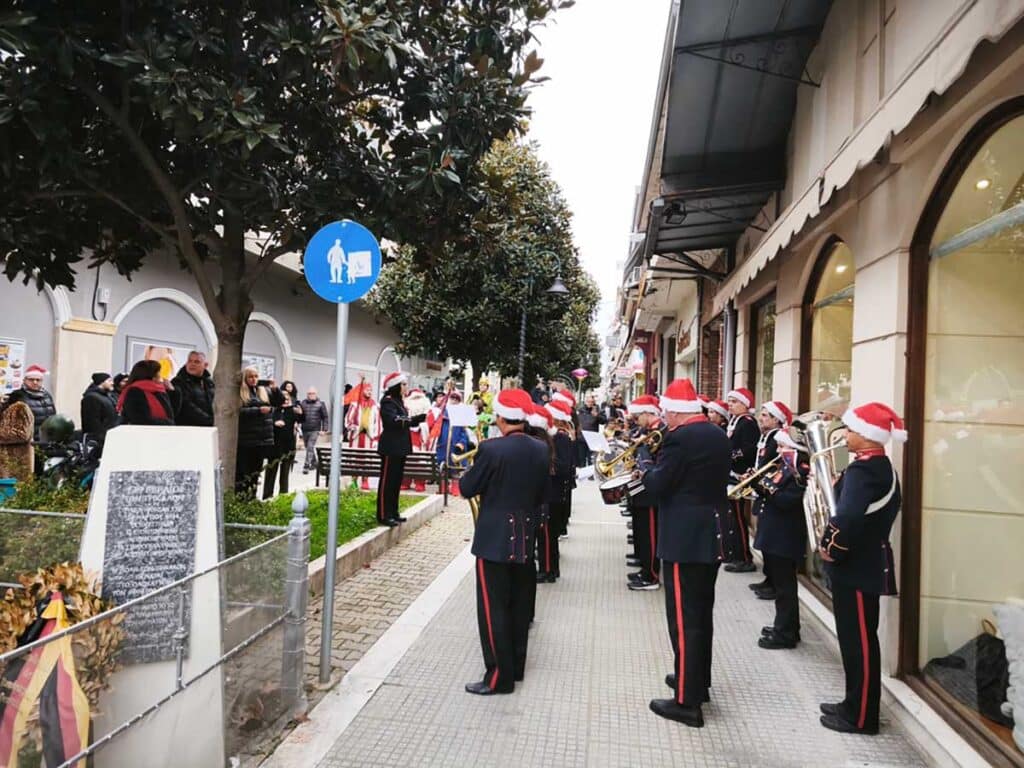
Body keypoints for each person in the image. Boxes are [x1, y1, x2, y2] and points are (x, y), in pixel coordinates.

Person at [640, 378, 731, 728]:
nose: (664, 418)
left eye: (666, 413)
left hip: (684, 538)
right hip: (711, 533)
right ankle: (696, 681)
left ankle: (686, 702)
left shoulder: (679, 439)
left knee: (683, 620)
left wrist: (647, 465)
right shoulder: (716, 434)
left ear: (677, 412)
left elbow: (660, 484)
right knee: (700, 614)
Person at [818, 403, 904, 735]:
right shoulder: (876, 467)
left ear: (867, 436)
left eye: (851, 430)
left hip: (856, 563)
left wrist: (830, 549)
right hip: (865, 561)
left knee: (860, 643)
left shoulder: (865, 472)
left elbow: (848, 518)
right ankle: (852, 703)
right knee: (855, 638)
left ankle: (862, 716)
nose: (846, 435)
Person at [461, 389, 549, 695]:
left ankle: (498, 677)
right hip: (526, 537)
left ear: (500, 418)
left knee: (493, 608)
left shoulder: (491, 449)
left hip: (494, 539)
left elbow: (467, 487)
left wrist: (468, 470)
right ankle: (516, 667)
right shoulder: (541, 448)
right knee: (519, 605)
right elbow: (541, 494)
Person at [752, 428, 809, 650]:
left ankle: (785, 632)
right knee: (781, 584)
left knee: (785, 587)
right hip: (774, 533)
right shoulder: (784, 468)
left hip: (785, 535)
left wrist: (768, 488)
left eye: (783, 447)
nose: (779, 450)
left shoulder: (800, 471)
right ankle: (785, 625)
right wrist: (758, 482)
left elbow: (788, 500)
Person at [747, 401, 792, 601]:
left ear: (776, 420)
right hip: (763, 491)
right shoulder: (766, 437)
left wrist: (759, 479)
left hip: (771, 494)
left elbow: (772, 467)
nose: (761, 418)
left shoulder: (775, 438)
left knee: (769, 543)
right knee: (763, 540)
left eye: (765, 415)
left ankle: (773, 581)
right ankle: (769, 578)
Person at [626, 394, 665, 591]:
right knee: (642, 531)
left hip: (651, 490)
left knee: (650, 534)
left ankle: (651, 575)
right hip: (642, 486)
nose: (636, 419)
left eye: (638, 415)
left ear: (649, 413)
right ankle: (645, 569)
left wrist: (641, 449)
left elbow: (655, 462)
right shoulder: (649, 430)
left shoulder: (659, 432)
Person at [376, 371, 426, 526]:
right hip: (391, 447)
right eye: (403, 384)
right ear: (395, 386)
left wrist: (415, 420)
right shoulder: (388, 401)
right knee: (387, 482)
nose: (406, 387)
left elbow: (403, 420)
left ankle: (393, 512)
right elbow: (393, 420)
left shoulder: (399, 402)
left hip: (400, 448)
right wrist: (413, 420)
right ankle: (384, 514)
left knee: (396, 481)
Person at [536, 400, 573, 583]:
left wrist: (545, 463)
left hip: (554, 493)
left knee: (548, 535)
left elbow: (563, 467)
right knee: (546, 535)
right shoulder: (555, 438)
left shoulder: (561, 438)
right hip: (552, 492)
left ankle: (548, 570)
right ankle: (550, 568)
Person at [723, 388, 759, 573]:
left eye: (734, 401)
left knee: (738, 518)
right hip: (732, 473)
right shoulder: (736, 421)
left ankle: (745, 557)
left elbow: (749, 449)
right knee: (732, 518)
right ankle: (735, 554)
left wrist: (729, 455)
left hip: (740, 475)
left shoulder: (748, 423)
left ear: (745, 404)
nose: (730, 404)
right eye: (729, 401)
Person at [236, 366, 275, 496]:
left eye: (256, 376)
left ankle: (252, 498)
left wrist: (274, 388)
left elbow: (278, 402)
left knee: (255, 474)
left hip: (260, 440)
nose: (254, 379)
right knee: (244, 475)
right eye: (250, 376)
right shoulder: (241, 393)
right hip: (246, 441)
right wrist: (258, 411)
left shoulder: (261, 392)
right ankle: (243, 500)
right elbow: (238, 412)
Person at [263, 381, 303, 499]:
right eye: (283, 398)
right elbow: (267, 422)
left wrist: (301, 413)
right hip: (274, 445)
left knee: (285, 472)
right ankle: (267, 495)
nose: (285, 401)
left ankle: (283, 495)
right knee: (271, 471)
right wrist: (275, 423)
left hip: (288, 445)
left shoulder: (292, 410)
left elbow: (301, 419)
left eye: (287, 398)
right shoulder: (274, 410)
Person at [435, 391, 471, 497]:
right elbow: (436, 430)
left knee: (456, 468)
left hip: (455, 447)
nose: (454, 401)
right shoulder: (442, 414)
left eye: (456, 399)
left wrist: (462, 443)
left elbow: (464, 433)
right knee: (442, 467)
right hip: (442, 446)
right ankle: (443, 487)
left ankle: (456, 488)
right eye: (452, 399)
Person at [345, 380, 380, 490]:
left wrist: (376, 437)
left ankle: (365, 480)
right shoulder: (355, 404)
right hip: (356, 436)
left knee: (367, 459)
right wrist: (354, 426)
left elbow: (378, 422)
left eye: (371, 390)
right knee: (354, 458)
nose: (369, 392)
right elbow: (347, 420)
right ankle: (354, 480)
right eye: (367, 390)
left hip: (369, 437)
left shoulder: (374, 405)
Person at [118, 360, 175, 426]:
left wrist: (172, 391)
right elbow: (140, 419)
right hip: (142, 433)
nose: (160, 375)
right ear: (152, 375)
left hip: (161, 432)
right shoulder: (134, 392)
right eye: (158, 372)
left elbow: (171, 414)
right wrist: (168, 423)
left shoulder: (159, 390)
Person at [7, 365, 56, 442]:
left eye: (38, 380)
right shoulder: (17, 396)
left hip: (46, 441)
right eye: (31, 379)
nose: (35, 382)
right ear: (24, 380)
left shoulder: (47, 396)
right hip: (26, 443)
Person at [171, 351, 215, 427]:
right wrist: (210, 421)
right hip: (188, 429)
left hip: (209, 427)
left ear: (205, 365)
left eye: (197, 362)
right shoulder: (178, 382)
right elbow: (187, 407)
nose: (192, 364)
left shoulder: (210, 383)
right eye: (190, 361)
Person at [401, 388, 431, 492]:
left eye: (419, 397)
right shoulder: (405, 407)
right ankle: (405, 481)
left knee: (421, 461)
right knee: (407, 459)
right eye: (415, 397)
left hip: (421, 436)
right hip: (408, 435)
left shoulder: (428, 409)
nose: (417, 400)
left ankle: (420, 482)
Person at [80, 372, 118, 450]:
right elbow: (92, 423)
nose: (112, 383)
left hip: (108, 438)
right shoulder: (91, 398)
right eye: (109, 381)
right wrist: (99, 439)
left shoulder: (108, 397)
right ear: (102, 382)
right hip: (99, 441)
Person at [299, 387, 330, 474]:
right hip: (305, 429)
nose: (311, 395)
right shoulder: (303, 403)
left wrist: (324, 429)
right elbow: (300, 416)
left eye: (313, 393)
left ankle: (306, 465)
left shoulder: (320, 404)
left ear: (316, 394)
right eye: (309, 393)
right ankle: (315, 463)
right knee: (307, 447)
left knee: (310, 446)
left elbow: (325, 417)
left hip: (315, 429)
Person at [576, 393, 604, 467]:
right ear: (585, 402)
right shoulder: (580, 410)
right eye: (588, 402)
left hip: (592, 438)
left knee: (591, 459)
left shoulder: (597, 410)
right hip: (581, 438)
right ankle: (582, 474)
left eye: (591, 402)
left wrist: (597, 416)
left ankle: (591, 475)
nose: (590, 403)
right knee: (581, 458)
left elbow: (604, 421)